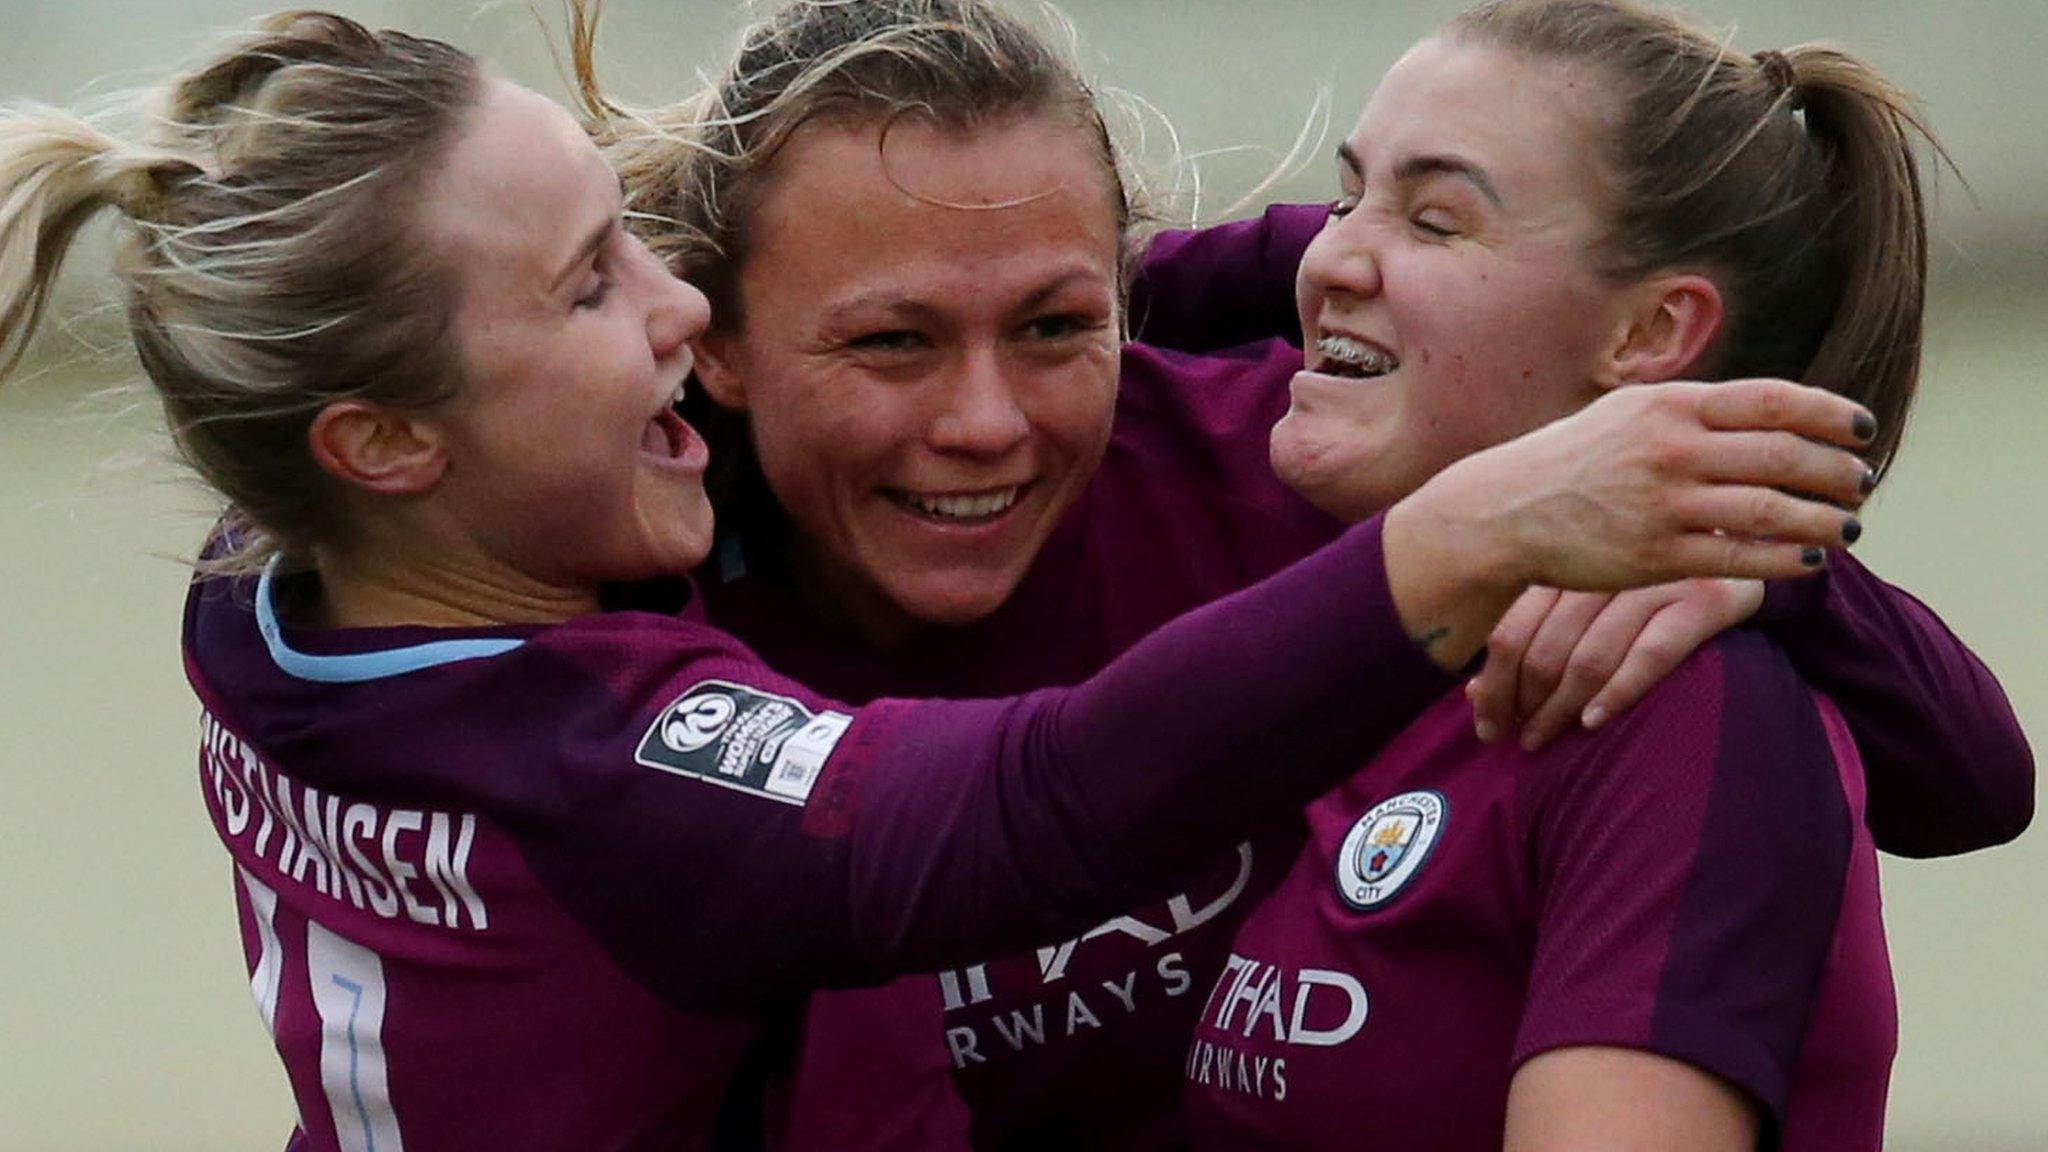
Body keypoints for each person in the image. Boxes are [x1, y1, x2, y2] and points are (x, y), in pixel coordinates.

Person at [0, 11, 1889, 1151]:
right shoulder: (589, 739)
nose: (661, 299)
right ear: (389, 437)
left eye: (1058, 322)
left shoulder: (343, 565)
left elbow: (1969, 768)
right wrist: (1476, 527)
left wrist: (1703, 521)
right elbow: (1028, 805)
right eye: (593, 286)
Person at [567, 0, 2032, 1148]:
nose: (984, 420)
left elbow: (1971, 779)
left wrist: (1738, 553)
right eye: (889, 342)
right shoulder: (622, 591)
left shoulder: (1328, 497)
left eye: (1057, 329)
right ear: (719, 351)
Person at [1174, 0, 2018, 1146]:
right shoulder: (1381, 606)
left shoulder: (1665, 698)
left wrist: (1777, 563)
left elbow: (1980, 776)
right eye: (1342, 196)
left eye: (1433, 219)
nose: (1325, 260)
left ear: (1648, 333)